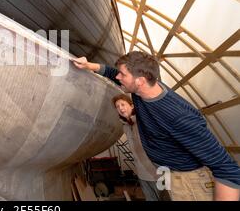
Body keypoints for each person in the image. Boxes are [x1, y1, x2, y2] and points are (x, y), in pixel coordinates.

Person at [73, 51, 240, 201]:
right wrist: (88, 65)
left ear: (140, 81)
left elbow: (228, 171)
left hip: (190, 182)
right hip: (169, 173)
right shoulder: (141, 91)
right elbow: (112, 73)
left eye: (122, 74)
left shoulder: (177, 115)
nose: (118, 77)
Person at [112, 94, 170, 201]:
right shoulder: (125, 126)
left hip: (158, 172)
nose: (120, 108)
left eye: (123, 104)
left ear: (132, 106)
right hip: (142, 174)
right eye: (117, 106)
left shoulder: (143, 121)